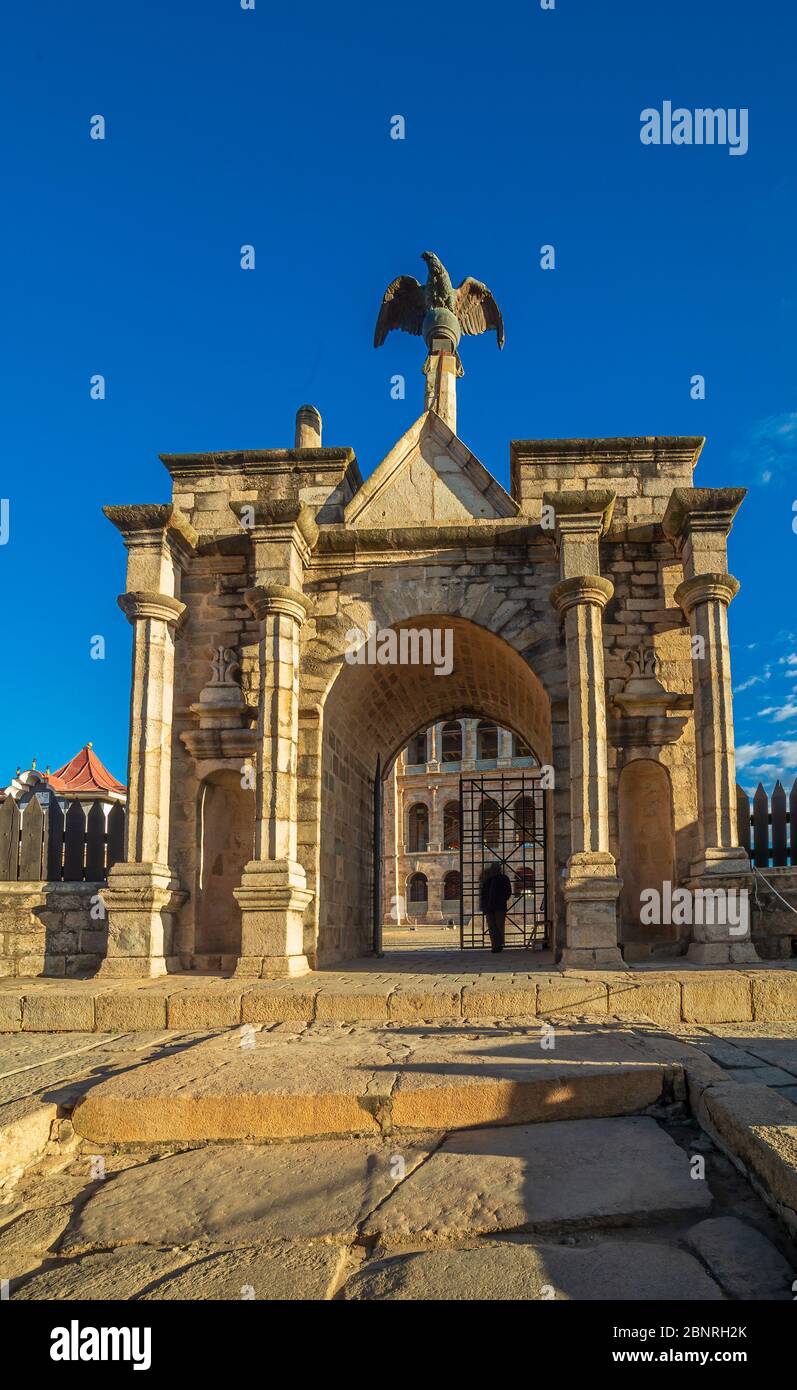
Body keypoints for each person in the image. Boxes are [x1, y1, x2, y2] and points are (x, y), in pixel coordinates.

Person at [480, 861, 512, 952]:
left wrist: (501, 899)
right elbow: (483, 894)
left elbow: (508, 892)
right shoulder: (488, 880)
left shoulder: (502, 879)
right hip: (492, 907)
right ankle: (495, 945)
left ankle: (498, 945)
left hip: (498, 906)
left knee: (497, 926)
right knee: (493, 927)